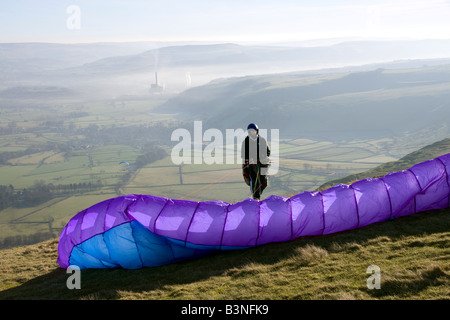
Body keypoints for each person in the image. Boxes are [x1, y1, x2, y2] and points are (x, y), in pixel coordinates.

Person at [241, 123, 270, 200]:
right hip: (252, 165)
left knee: (264, 182)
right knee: (255, 180)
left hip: (262, 164)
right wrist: (248, 159)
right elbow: (243, 154)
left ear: (256, 131)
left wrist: (265, 157)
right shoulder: (246, 141)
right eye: (250, 131)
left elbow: (268, 151)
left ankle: (258, 194)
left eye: (253, 130)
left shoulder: (262, 140)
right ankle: (256, 197)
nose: (252, 132)